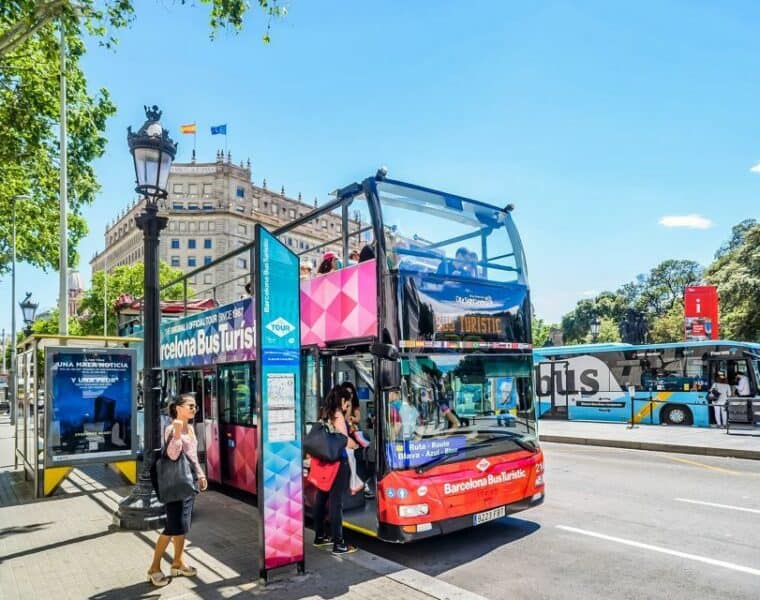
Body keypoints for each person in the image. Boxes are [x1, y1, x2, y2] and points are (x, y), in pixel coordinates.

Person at [147, 394, 207, 587]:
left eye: (195, 407)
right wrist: (178, 434)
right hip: (175, 485)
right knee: (173, 527)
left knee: (183, 527)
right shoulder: (172, 428)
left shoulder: (190, 428)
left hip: (188, 483)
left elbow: (193, 457)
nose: (194, 409)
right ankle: (154, 568)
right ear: (178, 408)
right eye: (190, 406)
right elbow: (173, 455)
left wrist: (200, 475)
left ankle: (178, 563)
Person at [312, 386, 358, 554]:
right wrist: (355, 443)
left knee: (322, 498)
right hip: (337, 463)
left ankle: (320, 536)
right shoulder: (338, 416)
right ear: (343, 401)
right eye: (348, 402)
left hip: (325, 462)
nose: (348, 406)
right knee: (336, 502)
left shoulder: (325, 413)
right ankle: (339, 543)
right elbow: (344, 441)